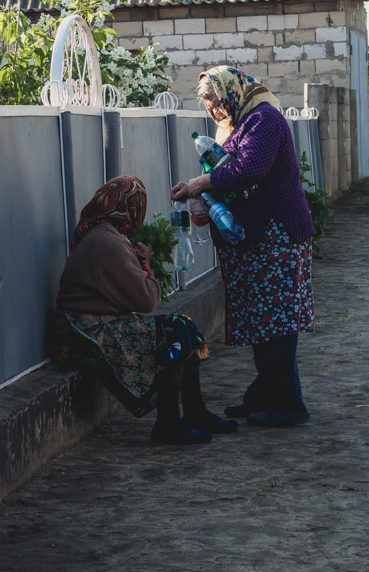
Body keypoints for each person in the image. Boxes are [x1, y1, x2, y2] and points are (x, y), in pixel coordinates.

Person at [171, 66, 315, 428]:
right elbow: (230, 179)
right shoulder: (238, 125)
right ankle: (276, 400)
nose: (216, 112)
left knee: (277, 323)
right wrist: (206, 201)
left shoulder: (264, 119)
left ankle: (280, 403)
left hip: (277, 236)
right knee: (266, 322)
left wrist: (200, 184)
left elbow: (249, 170)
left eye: (218, 103)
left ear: (233, 91)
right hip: (257, 238)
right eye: (210, 107)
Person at [50, 175, 238, 445]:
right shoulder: (108, 242)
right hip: (81, 331)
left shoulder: (104, 234)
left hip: (89, 323)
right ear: (131, 208)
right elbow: (146, 300)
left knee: (184, 326)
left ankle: (195, 412)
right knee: (174, 331)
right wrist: (145, 265)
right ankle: (169, 423)